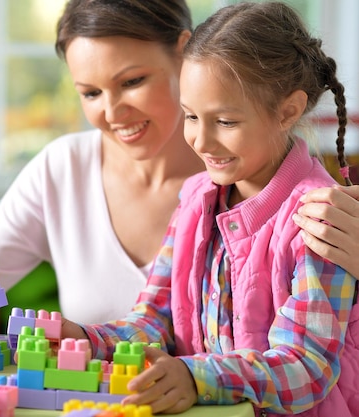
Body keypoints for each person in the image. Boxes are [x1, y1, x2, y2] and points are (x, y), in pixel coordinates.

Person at [0, 0, 359, 343]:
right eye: (89, 93)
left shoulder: (264, 190)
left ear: (187, 54)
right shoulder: (62, 171)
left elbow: (317, 352)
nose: (112, 112)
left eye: (132, 82)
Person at [61, 2, 358, 416]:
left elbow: (305, 367)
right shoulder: (195, 198)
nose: (199, 140)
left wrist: (197, 377)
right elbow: (153, 321)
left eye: (225, 122)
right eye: (190, 116)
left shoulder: (321, 220)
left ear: (287, 110)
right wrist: (83, 340)